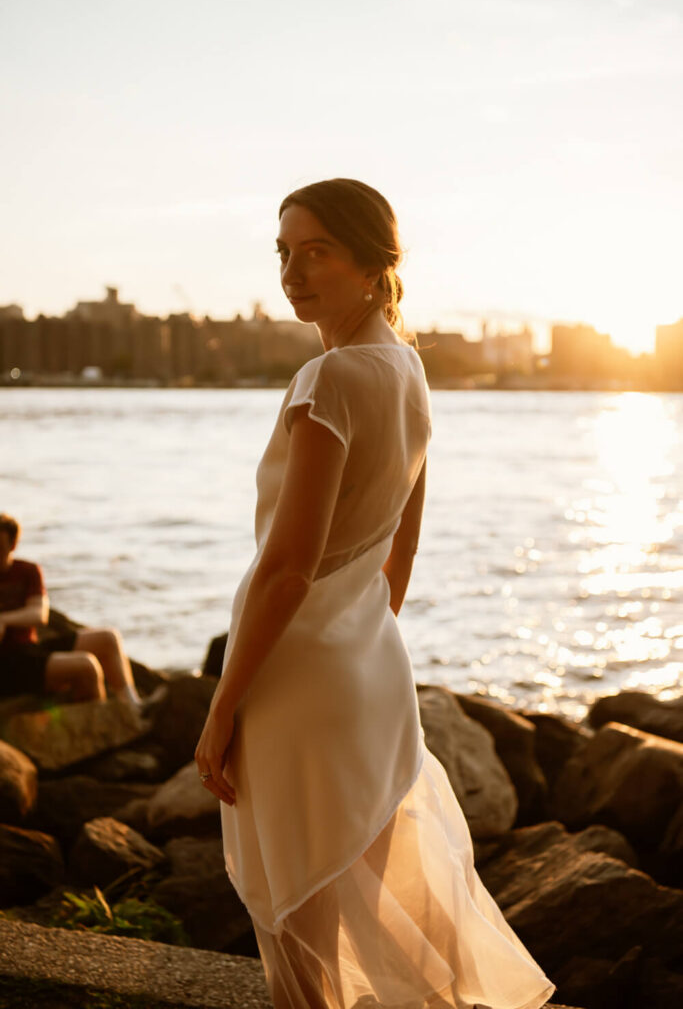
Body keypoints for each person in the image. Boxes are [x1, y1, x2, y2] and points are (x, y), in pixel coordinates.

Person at [195, 179, 556, 1008]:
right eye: (283, 251)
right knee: (370, 900)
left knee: (301, 932)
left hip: (296, 679)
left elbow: (287, 569)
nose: (292, 270)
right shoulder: (407, 371)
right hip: (368, 672)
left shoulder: (328, 381)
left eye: (316, 250)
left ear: (372, 262)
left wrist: (222, 708)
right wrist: (357, 635)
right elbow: (403, 546)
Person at [0, 513, 145, 706]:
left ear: (12, 545)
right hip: (9, 665)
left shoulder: (27, 570)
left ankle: (133, 707)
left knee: (108, 638)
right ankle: (99, 725)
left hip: (30, 650)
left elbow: (39, 615)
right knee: (87, 666)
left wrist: (3, 619)